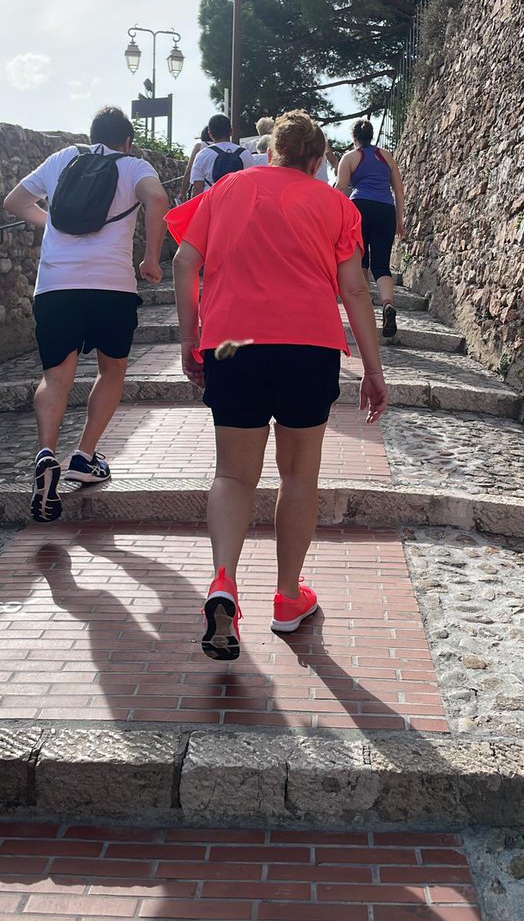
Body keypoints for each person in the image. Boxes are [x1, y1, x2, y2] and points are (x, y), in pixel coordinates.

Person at [167, 109, 388, 661]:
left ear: (271, 152)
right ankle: (288, 599)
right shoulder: (336, 204)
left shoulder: (226, 189)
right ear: (317, 162)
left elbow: (183, 262)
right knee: (298, 475)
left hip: (232, 343)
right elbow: (356, 291)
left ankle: (223, 581)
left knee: (233, 475)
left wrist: (190, 338)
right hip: (308, 345)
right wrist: (373, 368)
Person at [3, 106, 169, 523]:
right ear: (127, 141)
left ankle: (46, 453)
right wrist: (151, 259)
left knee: (56, 375)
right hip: (111, 285)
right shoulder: (133, 165)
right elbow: (158, 198)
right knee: (111, 370)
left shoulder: (65, 158)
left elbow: (14, 201)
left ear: (91, 134)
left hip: (56, 285)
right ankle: (85, 455)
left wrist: (51, 225)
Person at [335, 119, 405, 339]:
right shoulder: (387, 156)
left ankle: (366, 311)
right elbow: (399, 189)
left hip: (360, 209)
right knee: (382, 264)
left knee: (362, 262)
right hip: (386, 210)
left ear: (354, 137)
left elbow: (341, 190)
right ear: (372, 136)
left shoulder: (350, 157)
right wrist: (399, 219)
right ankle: (388, 305)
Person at [188, 114, 254, 196]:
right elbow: (251, 185)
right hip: (239, 204)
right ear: (231, 132)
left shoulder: (202, 155)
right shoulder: (245, 154)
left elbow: (197, 188)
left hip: (212, 204)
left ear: (210, 134)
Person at [181, 126, 210, 199]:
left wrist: (183, 192)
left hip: (203, 190)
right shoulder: (226, 148)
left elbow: (189, 169)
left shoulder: (200, 146)